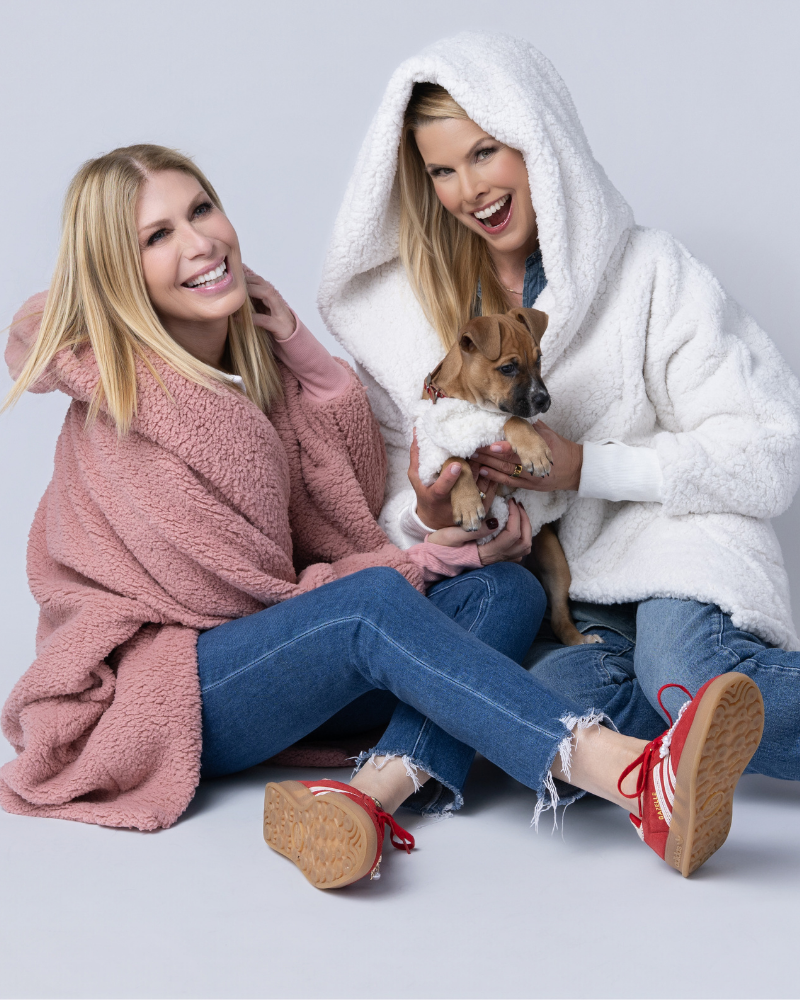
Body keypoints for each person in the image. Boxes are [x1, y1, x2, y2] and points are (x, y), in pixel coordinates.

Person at [0, 144, 762, 890]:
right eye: (157, 236)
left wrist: (308, 360)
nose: (199, 242)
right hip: (164, 692)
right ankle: (631, 776)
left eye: (201, 209)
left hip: (267, 660)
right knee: (372, 604)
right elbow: (245, 604)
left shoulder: (248, 369)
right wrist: (421, 562)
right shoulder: (135, 412)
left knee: (508, 590)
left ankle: (367, 799)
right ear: (118, 272)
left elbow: (346, 508)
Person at [318, 32, 800, 782]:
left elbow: (769, 448)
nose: (469, 190)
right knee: (550, 717)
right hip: (569, 606)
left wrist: (585, 468)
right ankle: (668, 767)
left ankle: (683, 698)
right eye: (442, 170)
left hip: (676, 551)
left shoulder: (650, 273)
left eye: (484, 152)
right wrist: (431, 518)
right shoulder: (409, 318)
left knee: (686, 672)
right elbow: (393, 503)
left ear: (538, 138)